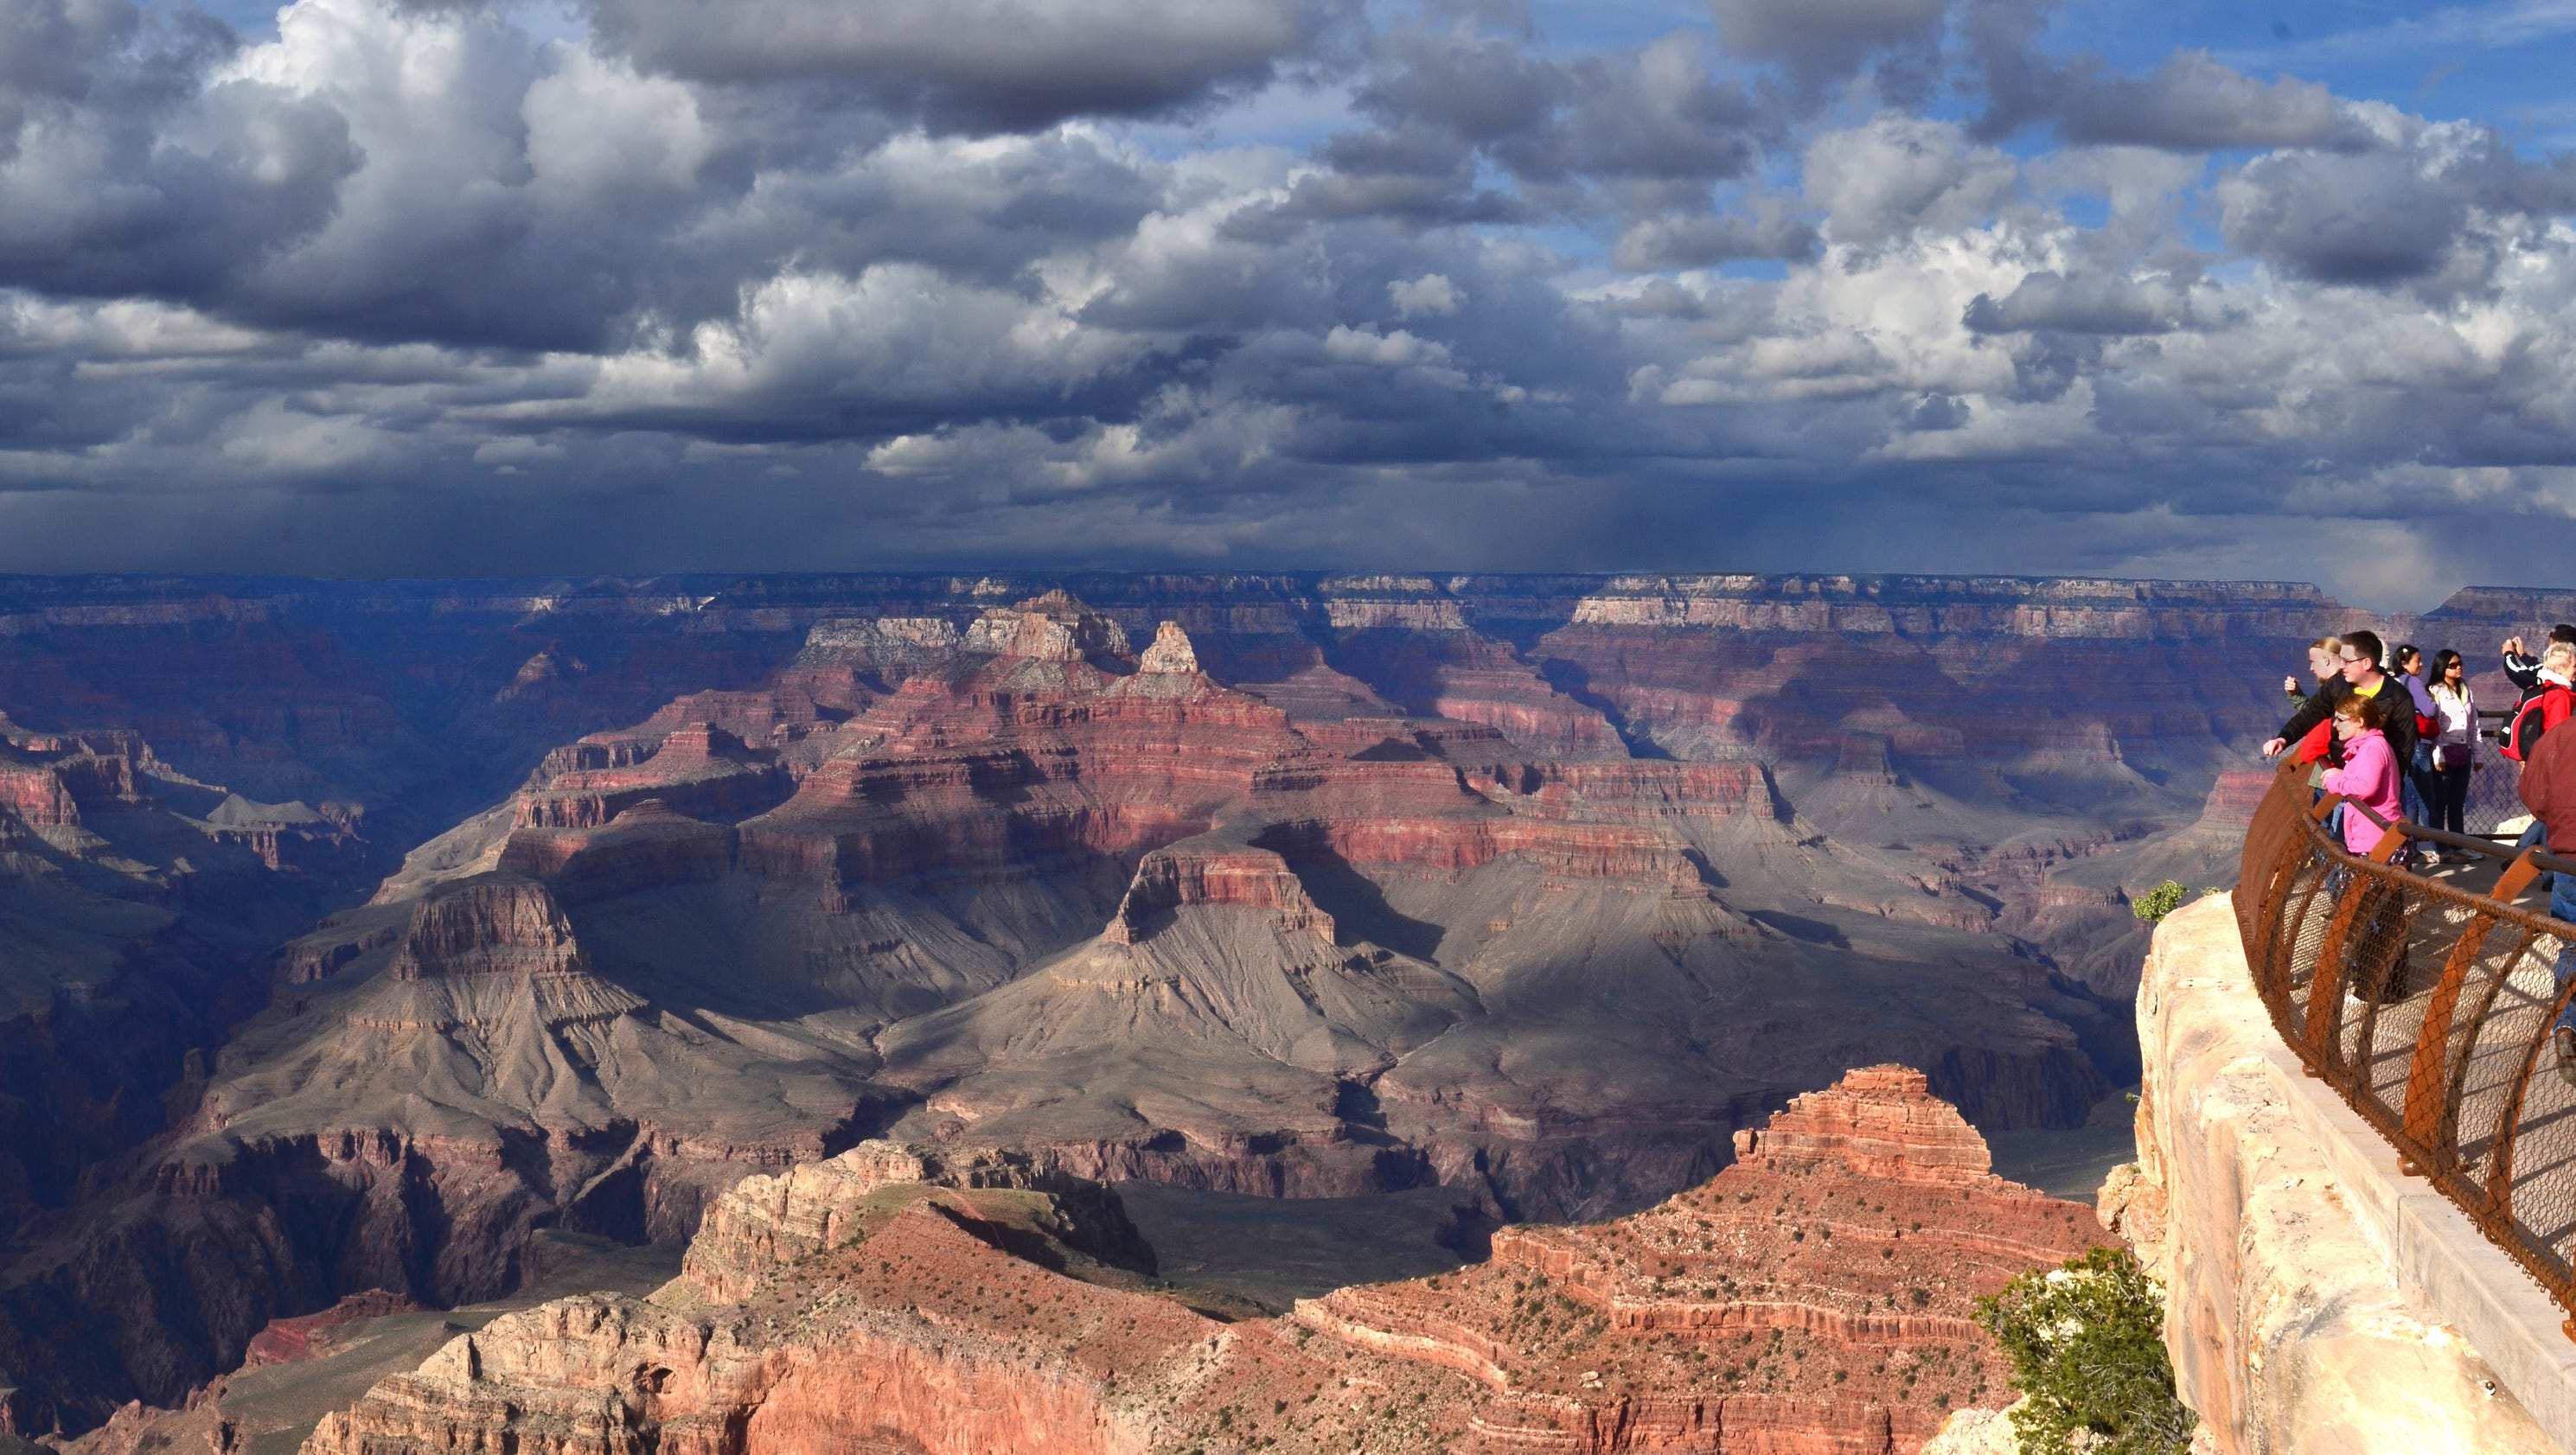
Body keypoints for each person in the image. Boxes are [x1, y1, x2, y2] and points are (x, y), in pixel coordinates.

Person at [2514, 675, 2576, 1083]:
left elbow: (2533, 796)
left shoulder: (2557, 738)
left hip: (2567, 857)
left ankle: (2567, 1024)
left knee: (2571, 944)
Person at [2266, 630, 2416, 785]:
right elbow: (2311, 713)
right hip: (2339, 779)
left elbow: (2402, 752)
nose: (2342, 666)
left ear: (2366, 663)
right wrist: (2283, 739)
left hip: (2375, 786)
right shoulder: (2338, 684)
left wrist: (2382, 785)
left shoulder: (2398, 699)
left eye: (2347, 661)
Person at [2321, 692, 2404, 858]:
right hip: (2372, 837)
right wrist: (2344, 774)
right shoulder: (2368, 746)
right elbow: (2365, 777)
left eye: (2341, 719)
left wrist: (2335, 782)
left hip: (2376, 841)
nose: (2335, 725)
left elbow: (2365, 788)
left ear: (2360, 722)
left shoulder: (2371, 748)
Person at [2394, 643, 2440, 852]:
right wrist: (2434, 702)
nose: (2422, 664)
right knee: (2426, 800)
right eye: (2417, 660)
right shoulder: (2413, 682)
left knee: (2409, 799)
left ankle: (2408, 847)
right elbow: (2430, 711)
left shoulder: (2396, 682)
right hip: (2420, 745)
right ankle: (2437, 847)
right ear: (2405, 664)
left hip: (2403, 745)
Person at [2427, 648, 2477, 835]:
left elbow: (2474, 724)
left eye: (2460, 664)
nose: (2458, 668)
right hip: (2445, 752)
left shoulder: (2466, 690)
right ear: (2442, 668)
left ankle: (2458, 845)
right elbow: (2435, 726)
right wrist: (2437, 755)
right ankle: (2439, 845)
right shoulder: (2435, 691)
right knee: (2440, 801)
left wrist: (2478, 754)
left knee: (2457, 802)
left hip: (2464, 751)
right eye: (2452, 665)